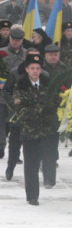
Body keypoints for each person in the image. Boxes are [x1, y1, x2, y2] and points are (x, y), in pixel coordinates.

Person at [13, 54, 58, 205]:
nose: (35, 71)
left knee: (49, 158)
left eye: (38, 68)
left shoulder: (48, 83)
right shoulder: (21, 85)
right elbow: (21, 109)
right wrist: (42, 110)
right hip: (30, 131)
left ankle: (50, 180)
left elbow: (55, 102)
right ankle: (32, 195)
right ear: (26, 69)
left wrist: (48, 111)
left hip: (48, 130)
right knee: (31, 164)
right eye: (32, 68)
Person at [3, 48, 47, 180]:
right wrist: (15, 106)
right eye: (31, 57)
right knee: (15, 143)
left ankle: (37, 164)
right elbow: (6, 91)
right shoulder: (15, 72)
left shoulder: (44, 75)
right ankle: (11, 166)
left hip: (36, 118)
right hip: (18, 115)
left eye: (37, 57)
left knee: (35, 145)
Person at [0, 28, 27, 159]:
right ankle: (0, 146)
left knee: (16, 125)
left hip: (19, 96)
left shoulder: (27, 54)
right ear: (9, 39)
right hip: (2, 94)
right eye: (13, 40)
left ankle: (15, 154)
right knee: (1, 123)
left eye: (18, 40)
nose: (15, 42)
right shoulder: (2, 52)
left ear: (22, 41)